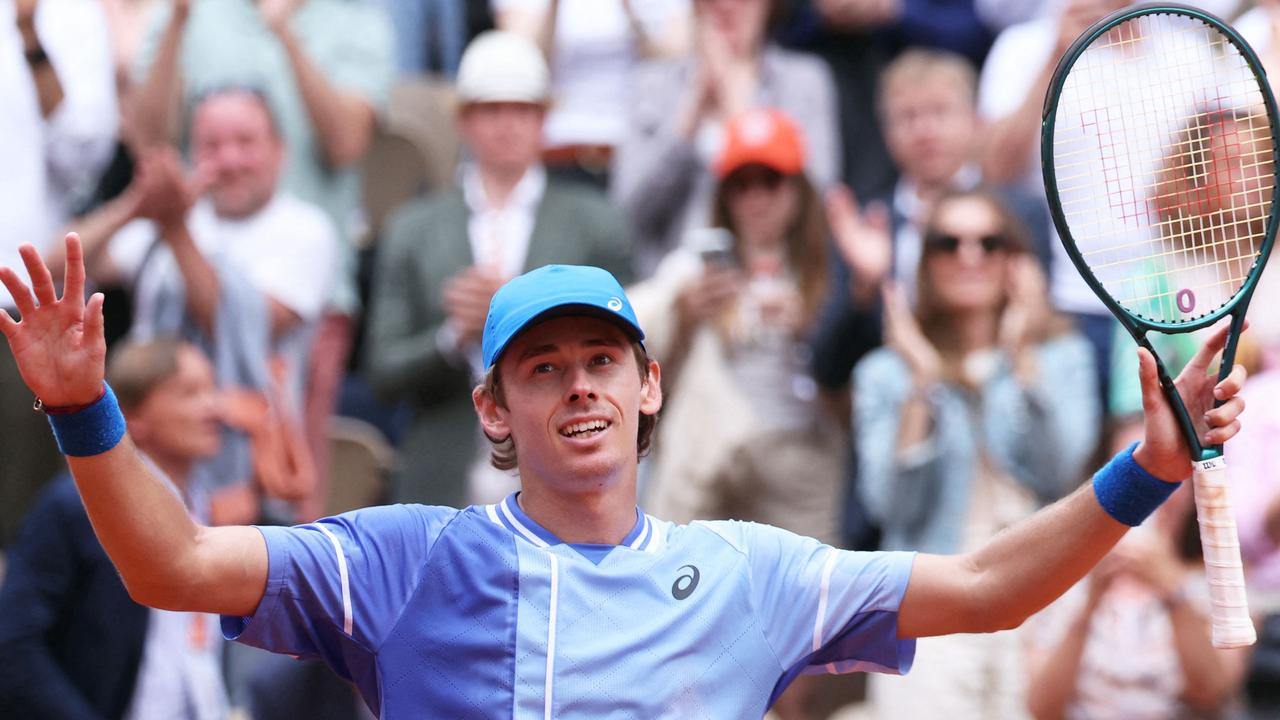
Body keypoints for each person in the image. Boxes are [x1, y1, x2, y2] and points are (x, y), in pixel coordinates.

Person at [0, 232, 1250, 717]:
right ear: (491, 406)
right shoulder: (405, 559)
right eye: (543, 371)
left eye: (603, 359)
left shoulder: (746, 573)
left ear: (649, 385)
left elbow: (983, 587)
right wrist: (84, 406)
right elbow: (168, 564)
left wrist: (1145, 467)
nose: (581, 386)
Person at [854, 188, 1100, 717]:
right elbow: (888, 509)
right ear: (926, 261)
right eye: (949, 243)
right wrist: (922, 385)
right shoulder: (885, 373)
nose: (970, 256)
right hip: (932, 594)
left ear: (1015, 259)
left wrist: (1020, 354)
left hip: (1041, 588)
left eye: (989, 242)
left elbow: (1061, 473)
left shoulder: (1064, 357)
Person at [365, 30, 632, 509]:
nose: (507, 125)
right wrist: (453, 335)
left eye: (522, 109)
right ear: (464, 120)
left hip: (564, 462)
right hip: (443, 466)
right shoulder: (414, 226)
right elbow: (382, 369)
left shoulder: (594, 220)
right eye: (491, 110)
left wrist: (518, 312)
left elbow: (629, 347)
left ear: (543, 118)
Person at [46, 87, 338, 522]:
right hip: (145, 453)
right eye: (212, 146)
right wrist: (134, 206)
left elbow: (242, 326)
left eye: (245, 142)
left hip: (246, 476)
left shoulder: (306, 230)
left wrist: (174, 227)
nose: (230, 160)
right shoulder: (170, 217)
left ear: (280, 151)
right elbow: (55, 266)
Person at [628, 108, 844, 548]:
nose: (756, 199)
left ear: (797, 189)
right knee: (687, 591)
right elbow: (627, 327)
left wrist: (811, 328)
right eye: (741, 185)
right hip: (708, 453)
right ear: (724, 195)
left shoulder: (830, 266)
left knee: (806, 601)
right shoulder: (696, 265)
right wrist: (684, 309)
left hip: (799, 451)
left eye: (770, 181)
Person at [0, 339, 229, 719]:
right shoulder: (72, 507)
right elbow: (13, 645)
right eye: (189, 393)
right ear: (130, 415)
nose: (213, 408)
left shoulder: (208, 511)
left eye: (212, 389)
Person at [0, 0, 117, 545]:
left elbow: (81, 154)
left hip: (17, 309)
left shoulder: (68, 13)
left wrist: (29, 35)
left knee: (18, 518)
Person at [611, 0, 839, 274]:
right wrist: (687, 125)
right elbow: (625, 212)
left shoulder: (803, 81)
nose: (727, 7)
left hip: (773, 281)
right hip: (670, 283)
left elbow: (815, 195)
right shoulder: (652, 85)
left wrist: (739, 116)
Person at [1025, 480, 1251, 719]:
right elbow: (1042, 707)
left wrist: (1174, 594)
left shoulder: (1219, 581)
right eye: (1134, 469)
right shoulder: (1063, 587)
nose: (1148, 489)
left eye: (1168, 475)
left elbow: (1212, 694)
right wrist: (1089, 605)